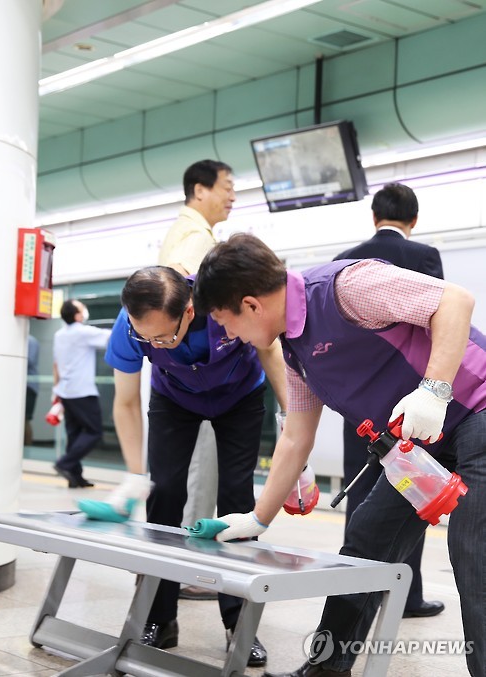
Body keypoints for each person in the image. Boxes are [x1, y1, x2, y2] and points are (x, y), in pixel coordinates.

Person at [193, 232, 486, 677]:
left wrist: (434, 390)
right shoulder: (295, 352)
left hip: (476, 405)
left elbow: (455, 301)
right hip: (423, 439)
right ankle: (328, 668)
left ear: (250, 305)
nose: (229, 335)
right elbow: (296, 437)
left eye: (224, 321)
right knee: (367, 539)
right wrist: (257, 519)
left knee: (474, 552)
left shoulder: (347, 287)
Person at [82, 265, 286, 668]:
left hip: (240, 396)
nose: (153, 343)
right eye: (146, 337)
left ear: (189, 311)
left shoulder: (221, 300)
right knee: (164, 494)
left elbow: (269, 350)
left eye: (162, 337)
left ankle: (239, 624)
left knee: (236, 498)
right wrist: (135, 475)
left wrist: (289, 420)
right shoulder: (129, 327)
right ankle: (159, 619)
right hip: (174, 399)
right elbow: (126, 402)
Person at [333, 182, 445, 619]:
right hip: (409, 398)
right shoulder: (424, 256)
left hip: (359, 400)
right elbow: (435, 321)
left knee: (359, 490)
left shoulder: (346, 259)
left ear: (374, 217)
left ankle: (353, 593)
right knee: (410, 489)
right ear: (413, 220)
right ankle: (406, 597)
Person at [158, 158, 235, 601]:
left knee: (188, 473)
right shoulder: (196, 237)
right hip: (200, 376)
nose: (232, 196)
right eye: (227, 187)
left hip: (182, 375)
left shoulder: (183, 229)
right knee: (202, 474)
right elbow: (180, 292)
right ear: (200, 190)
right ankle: (186, 569)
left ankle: (171, 565)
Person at [52, 299, 112, 488]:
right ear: (77, 316)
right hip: (82, 392)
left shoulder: (59, 335)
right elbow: (110, 337)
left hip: (65, 391)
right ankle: (65, 463)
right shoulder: (83, 332)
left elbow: (56, 364)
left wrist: (56, 391)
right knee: (94, 432)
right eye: (81, 308)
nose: (84, 310)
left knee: (74, 434)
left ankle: (75, 477)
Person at [24, 334, 40, 445]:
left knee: (25, 419)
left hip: (29, 386)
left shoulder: (31, 341)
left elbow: (29, 361)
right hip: (22, 386)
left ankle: (27, 449)